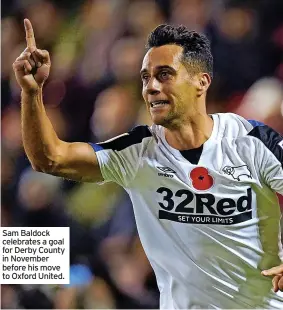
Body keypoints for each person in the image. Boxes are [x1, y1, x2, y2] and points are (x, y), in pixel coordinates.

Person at [13, 19, 283, 308]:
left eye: (164, 75)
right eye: (145, 77)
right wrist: (31, 93)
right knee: (23, 264)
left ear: (201, 82)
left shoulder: (252, 141)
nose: (151, 87)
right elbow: (49, 159)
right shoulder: (137, 152)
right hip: (107, 265)